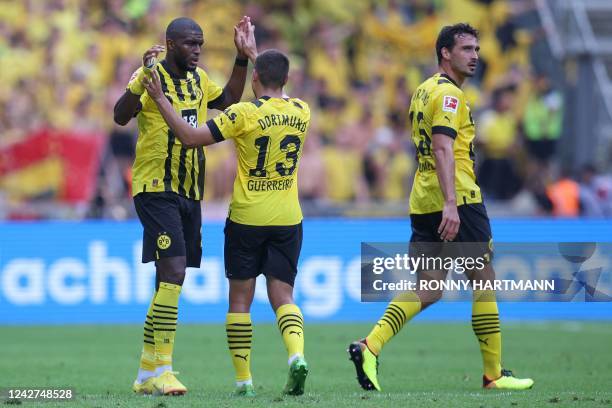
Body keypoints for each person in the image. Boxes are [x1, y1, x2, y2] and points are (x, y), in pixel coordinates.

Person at [348, 23, 534, 391]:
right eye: (466, 48)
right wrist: (452, 203)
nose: (475, 55)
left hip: (422, 199)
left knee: (430, 286)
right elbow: (442, 146)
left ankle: (371, 346)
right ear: (445, 53)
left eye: (477, 49)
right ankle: (493, 374)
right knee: (484, 281)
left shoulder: (422, 90)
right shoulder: (451, 96)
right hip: (458, 198)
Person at [143, 49, 310, 397]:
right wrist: (251, 54)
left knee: (239, 302)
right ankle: (296, 355)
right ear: (287, 79)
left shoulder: (243, 114)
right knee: (284, 296)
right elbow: (271, 76)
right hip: (288, 217)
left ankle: (244, 381)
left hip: (248, 217)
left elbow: (190, 138)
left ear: (254, 78)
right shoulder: (302, 111)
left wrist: (160, 98)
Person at [113, 16, 257, 396]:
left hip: (190, 190)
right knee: (173, 271)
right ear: (171, 43)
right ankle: (164, 368)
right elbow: (120, 115)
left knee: (168, 279)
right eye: (191, 44)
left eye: (201, 44)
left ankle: (145, 372)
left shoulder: (198, 79)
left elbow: (226, 101)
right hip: (155, 187)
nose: (197, 50)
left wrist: (242, 60)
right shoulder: (150, 76)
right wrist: (139, 81)